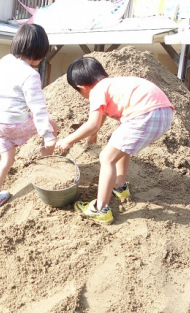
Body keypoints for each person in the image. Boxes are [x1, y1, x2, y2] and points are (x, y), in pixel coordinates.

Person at [56, 57, 174, 225]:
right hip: (164, 113)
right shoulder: (111, 84)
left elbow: (92, 123)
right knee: (120, 146)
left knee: (106, 158)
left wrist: (69, 140)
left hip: (144, 115)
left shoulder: (96, 91)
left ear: (82, 88)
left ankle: (100, 209)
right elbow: (100, 117)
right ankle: (119, 186)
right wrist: (94, 132)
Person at [0, 24, 57, 212]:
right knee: (50, 124)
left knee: (6, 161)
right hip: (14, 124)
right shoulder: (30, 75)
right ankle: (45, 167)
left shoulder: (6, 61)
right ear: (40, 53)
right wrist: (48, 135)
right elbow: (38, 108)